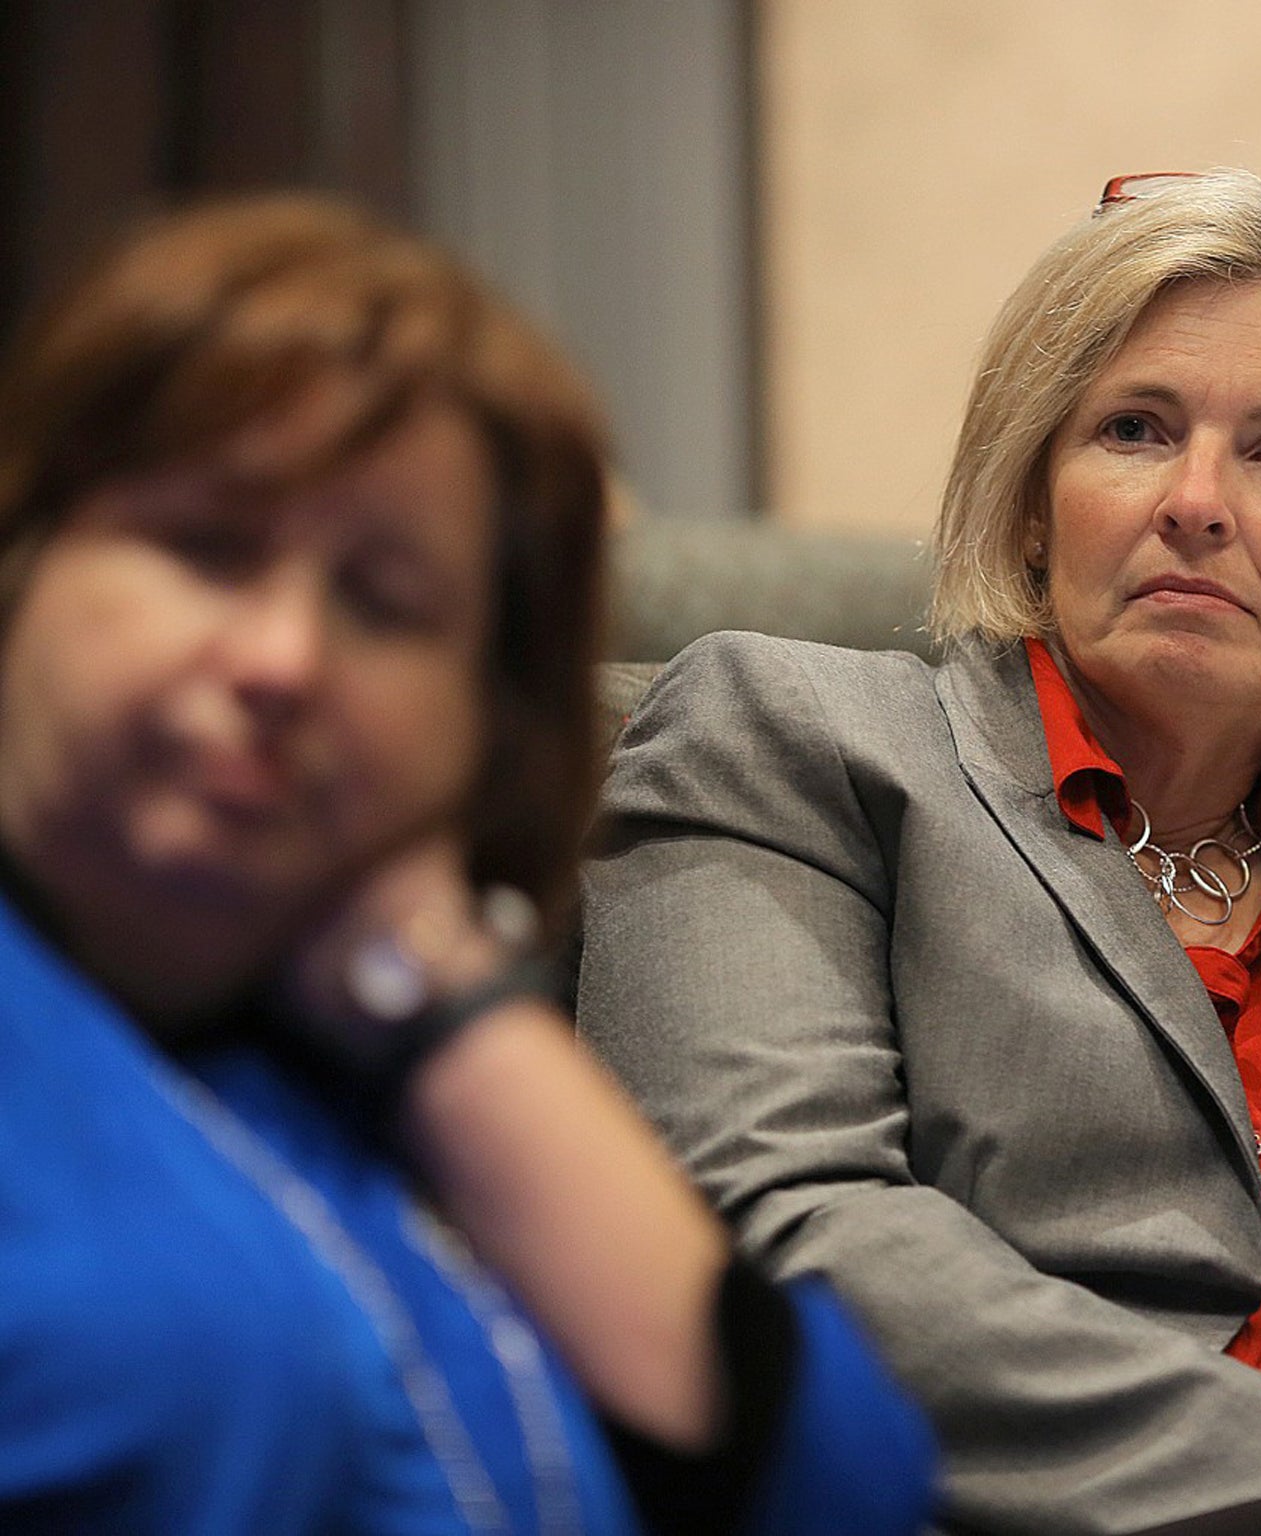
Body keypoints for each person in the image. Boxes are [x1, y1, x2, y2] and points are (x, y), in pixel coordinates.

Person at [580, 169, 1261, 1535]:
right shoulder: (789, 739)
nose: (1198, 501)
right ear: (1037, 501)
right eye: (1135, 429)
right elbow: (778, 1227)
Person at [0, 193, 935, 1535]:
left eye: (385, 603)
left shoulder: (355, 1050)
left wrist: (435, 989)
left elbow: (840, 1489)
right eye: (206, 547)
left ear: (484, 726)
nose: (283, 661)